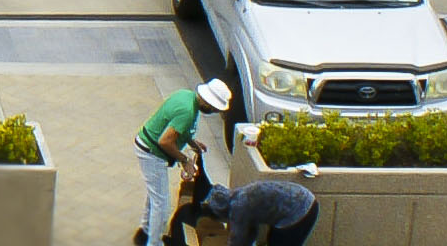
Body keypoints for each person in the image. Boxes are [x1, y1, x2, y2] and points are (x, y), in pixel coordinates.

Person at [135, 79, 232, 246]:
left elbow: (179, 128)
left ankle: (145, 231)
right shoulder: (188, 112)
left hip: (146, 145)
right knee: (162, 206)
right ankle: (154, 243)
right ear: (208, 103)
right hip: (152, 153)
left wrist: (192, 143)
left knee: (155, 195)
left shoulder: (186, 96)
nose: (214, 111)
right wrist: (185, 160)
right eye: (215, 108)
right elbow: (165, 141)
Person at [203, 179, 319, 246]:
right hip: (307, 199)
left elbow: (239, 239)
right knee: (273, 239)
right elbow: (250, 232)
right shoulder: (239, 194)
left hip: (298, 212)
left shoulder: (238, 208)